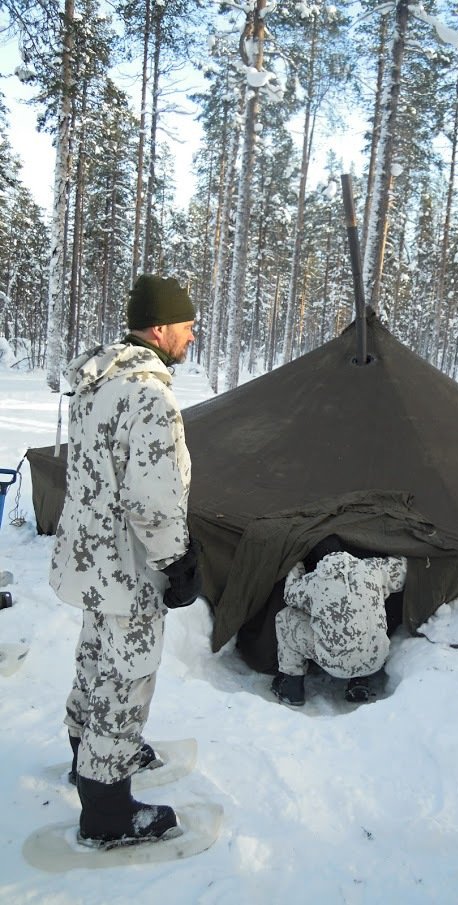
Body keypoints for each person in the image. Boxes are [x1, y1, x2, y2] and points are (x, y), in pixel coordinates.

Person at [50, 274, 201, 848]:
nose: (192, 336)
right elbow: (152, 498)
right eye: (186, 326)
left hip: (88, 558)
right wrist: (176, 562)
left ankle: (85, 748)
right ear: (159, 328)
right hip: (127, 568)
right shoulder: (150, 395)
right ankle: (107, 808)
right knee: (127, 674)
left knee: (94, 654)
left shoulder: (98, 382)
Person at [271, 535, 407, 706]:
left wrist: (296, 562)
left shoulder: (315, 581)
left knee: (286, 617)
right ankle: (359, 683)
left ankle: (291, 688)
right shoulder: (372, 569)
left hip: (334, 664)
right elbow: (402, 570)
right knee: (363, 616)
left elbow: (290, 596)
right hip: (375, 661)